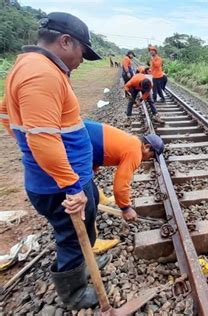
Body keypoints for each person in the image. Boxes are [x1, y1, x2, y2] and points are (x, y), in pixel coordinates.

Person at [0, 12, 109, 310]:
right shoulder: (41, 74)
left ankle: (87, 264)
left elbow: (7, 117)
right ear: (65, 41)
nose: (82, 60)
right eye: (82, 52)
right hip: (60, 184)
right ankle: (74, 293)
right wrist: (71, 186)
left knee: (83, 226)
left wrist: (33, 151)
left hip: (62, 176)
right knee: (71, 237)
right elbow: (42, 139)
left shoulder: (29, 66)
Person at [84, 120, 165, 221]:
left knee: (90, 190)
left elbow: (97, 152)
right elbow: (121, 183)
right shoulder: (135, 152)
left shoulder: (132, 141)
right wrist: (126, 208)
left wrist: (91, 171)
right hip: (77, 138)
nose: (148, 159)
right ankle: (88, 235)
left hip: (83, 132)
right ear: (147, 148)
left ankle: (100, 199)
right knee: (87, 201)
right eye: (151, 157)